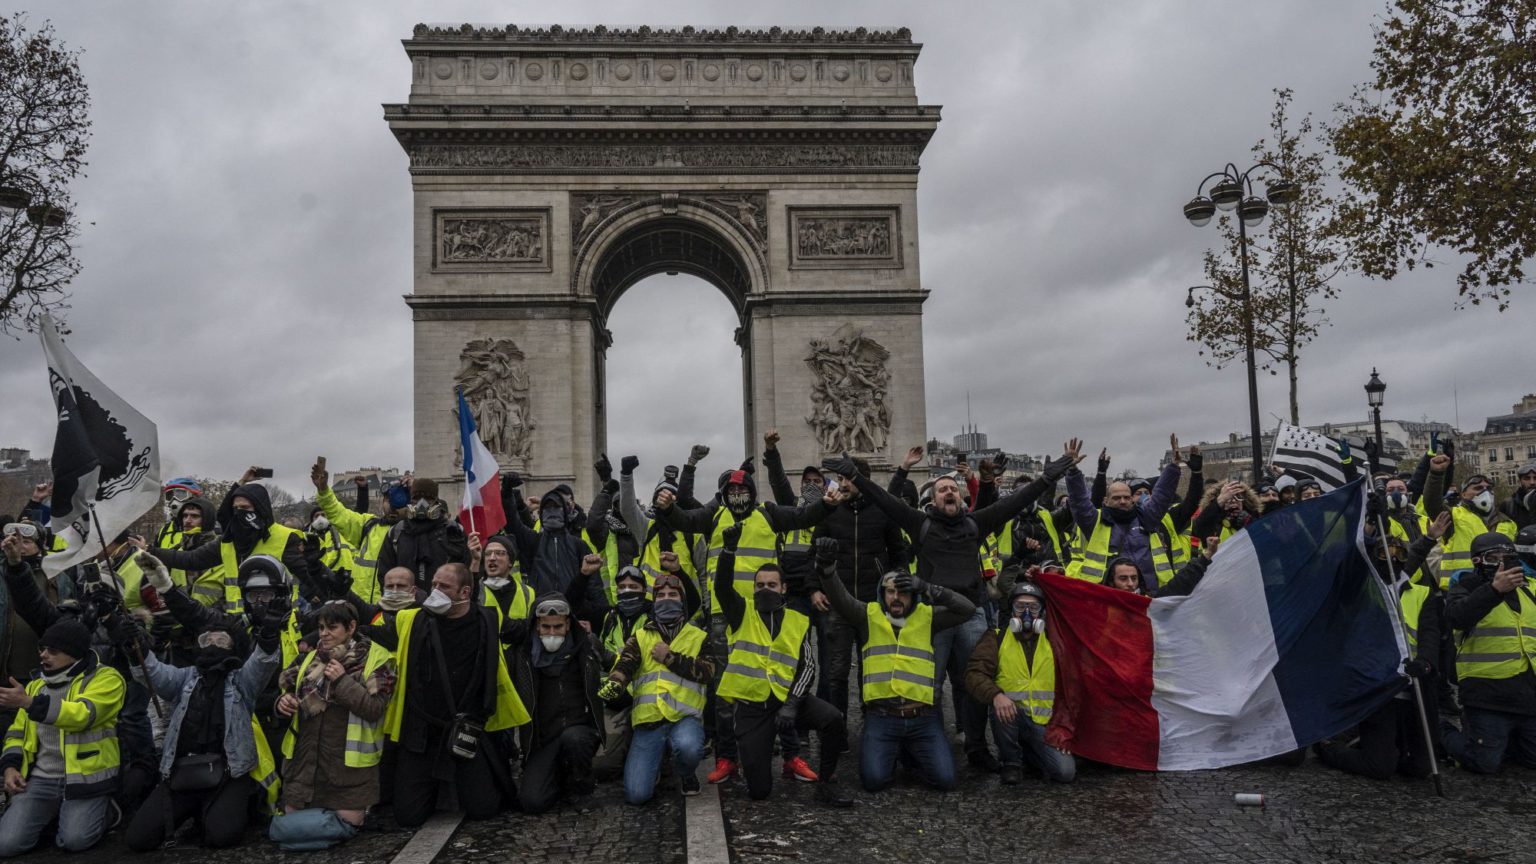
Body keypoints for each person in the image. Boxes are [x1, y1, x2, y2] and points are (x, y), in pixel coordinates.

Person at [827, 443, 1077, 773]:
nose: (949, 492)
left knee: (972, 683)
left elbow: (1016, 500)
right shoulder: (919, 524)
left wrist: (1048, 477)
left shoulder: (976, 523)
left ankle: (975, 746)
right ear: (932, 501)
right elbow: (884, 501)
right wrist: (856, 477)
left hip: (971, 611)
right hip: (932, 616)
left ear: (960, 499)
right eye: (942, 489)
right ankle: (924, 743)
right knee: (928, 684)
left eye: (953, 489)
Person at [652, 465, 832, 784]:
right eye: (731, 492)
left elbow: (804, 517)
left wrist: (829, 504)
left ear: (752, 492)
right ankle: (727, 757)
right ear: (724, 495)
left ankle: (791, 756)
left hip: (768, 609)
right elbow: (685, 520)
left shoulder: (770, 513)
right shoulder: (712, 514)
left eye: (742, 491)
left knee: (780, 679)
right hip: (726, 612)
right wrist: (666, 507)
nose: (737, 497)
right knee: (725, 690)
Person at [378, 562, 529, 827]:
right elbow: (371, 626)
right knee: (408, 816)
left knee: (484, 808)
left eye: (444, 586)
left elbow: (526, 630)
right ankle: (436, 787)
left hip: (465, 729)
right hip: (423, 731)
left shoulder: (486, 621)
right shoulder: (412, 620)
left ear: (465, 592)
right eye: (434, 584)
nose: (435, 590)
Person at [714, 525, 852, 806]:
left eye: (772, 585)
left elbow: (808, 666)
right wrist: (728, 552)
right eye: (760, 585)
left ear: (784, 588)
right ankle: (760, 757)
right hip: (753, 709)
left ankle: (827, 783)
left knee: (833, 718)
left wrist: (792, 703)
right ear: (753, 589)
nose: (766, 589)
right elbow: (721, 587)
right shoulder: (742, 613)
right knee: (760, 791)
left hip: (789, 702)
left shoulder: (797, 620)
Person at [818, 548, 976, 793]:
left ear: (912, 595)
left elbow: (967, 609)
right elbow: (841, 599)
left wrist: (928, 587)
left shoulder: (928, 617)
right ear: (883, 594)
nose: (896, 597)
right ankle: (899, 752)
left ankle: (909, 751)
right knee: (873, 782)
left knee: (945, 781)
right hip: (882, 718)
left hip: (923, 718)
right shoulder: (868, 615)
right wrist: (828, 570)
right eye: (890, 591)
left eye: (903, 592)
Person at [124, 616, 283, 851]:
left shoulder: (241, 681)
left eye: (221, 640)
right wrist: (135, 646)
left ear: (234, 646)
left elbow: (262, 663)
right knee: (138, 840)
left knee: (222, 837)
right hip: (182, 772)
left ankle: (230, 808)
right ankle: (195, 810)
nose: (212, 644)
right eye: (206, 639)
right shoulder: (185, 677)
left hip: (229, 774)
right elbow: (154, 673)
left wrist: (269, 633)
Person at [1316, 512, 1446, 779]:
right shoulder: (1362, 592)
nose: (1394, 560)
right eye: (1387, 555)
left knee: (1419, 768)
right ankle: (1329, 748)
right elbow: (1346, 564)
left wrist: (1425, 662)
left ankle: (1381, 742)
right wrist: (1366, 531)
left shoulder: (1421, 593)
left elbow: (1430, 636)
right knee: (1381, 766)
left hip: (1414, 687)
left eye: (1400, 555)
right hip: (1378, 688)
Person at [269, 602, 396, 850]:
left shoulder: (379, 658)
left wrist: (341, 680)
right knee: (293, 824)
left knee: (348, 823)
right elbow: (285, 691)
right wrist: (281, 703)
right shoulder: (309, 657)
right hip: (305, 764)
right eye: (320, 627)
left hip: (348, 769)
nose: (324, 634)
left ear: (351, 627)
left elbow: (374, 709)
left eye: (331, 628)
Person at [0, 618, 125, 857]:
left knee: (74, 841)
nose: (44, 655)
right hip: (40, 780)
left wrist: (29, 703)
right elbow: (16, 733)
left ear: (74, 654)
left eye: (53, 651)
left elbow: (82, 714)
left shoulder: (107, 679)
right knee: (6, 845)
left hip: (86, 779)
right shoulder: (36, 686)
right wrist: (10, 768)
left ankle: (105, 810)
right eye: (42, 649)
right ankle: (55, 813)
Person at [805, 450, 909, 722]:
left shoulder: (883, 511)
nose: (842, 484)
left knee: (871, 668)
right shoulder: (829, 511)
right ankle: (836, 728)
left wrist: (897, 591)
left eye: (848, 478)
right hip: (837, 603)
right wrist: (813, 588)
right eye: (839, 478)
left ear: (863, 480)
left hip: (873, 604)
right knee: (836, 673)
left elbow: (899, 554)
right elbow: (812, 553)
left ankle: (872, 721)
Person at [598, 572, 713, 804]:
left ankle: (687, 774)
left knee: (689, 748)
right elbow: (625, 664)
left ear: (682, 600)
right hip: (649, 721)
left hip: (684, 718)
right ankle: (656, 764)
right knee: (637, 796)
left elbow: (708, 672)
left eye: (673, 594)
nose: (666, 599)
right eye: (660, 595)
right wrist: (616, 682)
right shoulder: (640, 637)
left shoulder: (699, 636)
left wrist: (670, 657)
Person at [1441, 532, 1536, 774]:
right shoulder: (1466, 584)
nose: (1503, 563)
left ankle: (1505, 739)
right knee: (1484, 762)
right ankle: (1437, 729)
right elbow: (1456, 617)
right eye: (1494, 558)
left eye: (1509, 557)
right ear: (1477, 562)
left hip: (1527, 693)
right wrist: (1495, 590)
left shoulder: (1531, 588)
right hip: (1486, 693)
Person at [964, 582, 1075, 785]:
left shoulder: (1054, 641)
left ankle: (1030, 753)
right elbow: (974, 674)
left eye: (1033, 608)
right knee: (1004, 709)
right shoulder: (996, 637)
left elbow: (1072, 685)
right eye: (1020, 606)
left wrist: (1064, 726)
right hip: (1010, 716)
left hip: (1045, 723)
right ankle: (1011, 762)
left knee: (1065, 772)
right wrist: (996, 695)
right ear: (1011, 610)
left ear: (1042, 613)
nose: (1026, 613)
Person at [141, 482, 309, 615]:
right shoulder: (229, 540)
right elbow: (191, 559)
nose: (239, 514)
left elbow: (310, 579)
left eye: (245, 509)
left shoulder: (287, 538)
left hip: (280, 623)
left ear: (260, 509)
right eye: (236, 509)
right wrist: (150, 549)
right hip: (239, 623)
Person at [506, 594, 604, 814]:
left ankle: (581, 784)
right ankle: (558, 777)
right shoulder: (523, 656)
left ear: (568, 625)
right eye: (546, 627)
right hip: (544, 739)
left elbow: (614, 665)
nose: (552, 633)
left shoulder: (586, 648)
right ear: (537, 627)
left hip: (578, 731)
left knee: (575, 740)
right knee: (533, 802)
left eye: (558, 627)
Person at [1065, 435, 1186, 591]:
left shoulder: (1145, 518)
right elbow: (1079, 501)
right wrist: (1073, 471)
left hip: (1148, 594)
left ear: (1132, 500)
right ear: (1105, 501)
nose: (1122, 501)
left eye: (1126, 497)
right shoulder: (1095, 521)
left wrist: (1174, 467)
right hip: (1110, 596)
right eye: (1116, 498)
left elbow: (1162, 496)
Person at [310, 460, 403, 604]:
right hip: (362, 610)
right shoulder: (369, 525)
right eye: (388, 500)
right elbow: (338, 514)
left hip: (395, 613)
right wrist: (323, 490)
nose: (392, 505)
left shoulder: (415, 531)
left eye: (400, 500)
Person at [592, 566, 650, 780]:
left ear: (644, 590)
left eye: (633, 587)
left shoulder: (654, 618)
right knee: (602, 768)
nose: (626, 591)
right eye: (622, 587)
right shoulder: (611, 617)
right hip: (617, 699)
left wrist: (609, 658)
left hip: (647, 699)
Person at [375, 478, 470, 591]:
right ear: (410, 501)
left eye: (428, 499)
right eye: (416, 498)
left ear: (436, 501)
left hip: (442, 603)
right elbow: (384, 573)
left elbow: (465, 572)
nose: (421, 504)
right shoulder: (397, 532)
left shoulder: (454, 531)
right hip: (405, 604)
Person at [1500, 463, 1536, 530]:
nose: (1532, 482)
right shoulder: (1508, 505)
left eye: (1535, 478)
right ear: (1519, 482)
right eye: (1527, 478)